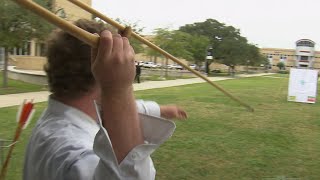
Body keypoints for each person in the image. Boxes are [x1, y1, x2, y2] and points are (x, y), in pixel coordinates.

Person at [23, 19, 187, 180]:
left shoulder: (60, 116)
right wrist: (118, 89)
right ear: (101, 74)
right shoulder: (67, 148)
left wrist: (160, 110)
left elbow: (113, 111)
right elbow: (129, 174)